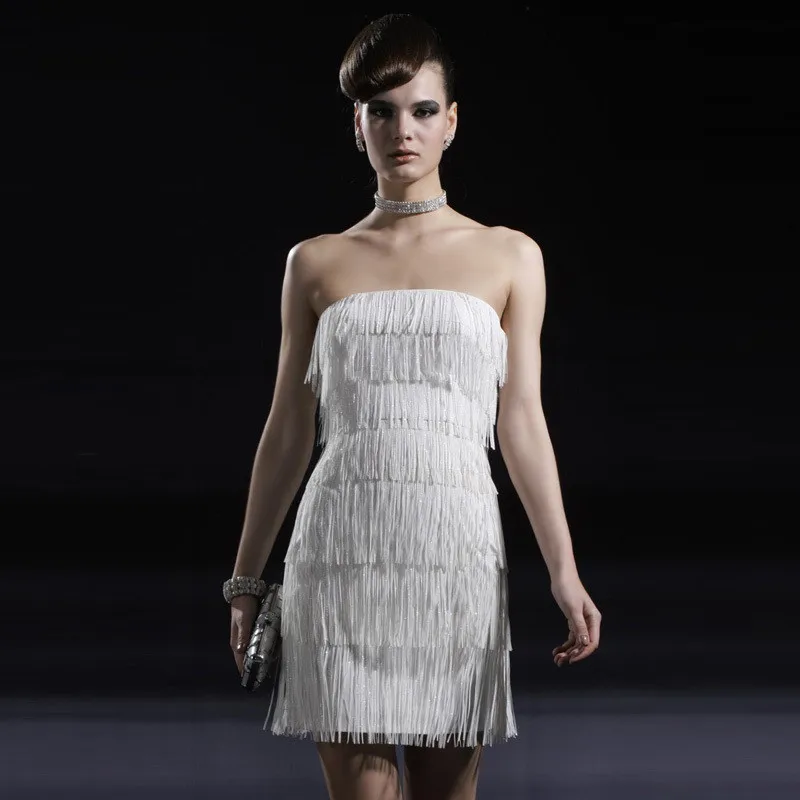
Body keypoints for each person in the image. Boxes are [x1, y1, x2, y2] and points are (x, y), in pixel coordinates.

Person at [224, 13, 602, 800]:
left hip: (453, 554)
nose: (404, 130)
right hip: (339, 553)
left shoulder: (510, 255)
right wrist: (246, 580)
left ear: (451, 122)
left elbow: (522, 421)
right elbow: (287, 430)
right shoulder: (315, 262)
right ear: (356, 124)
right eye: (382, 110)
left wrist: (564, 571)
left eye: (423, 110)